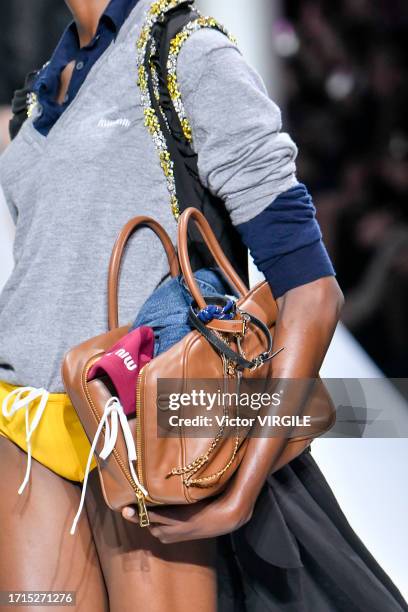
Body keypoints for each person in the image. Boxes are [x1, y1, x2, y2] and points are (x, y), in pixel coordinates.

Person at [0, 1, 406, 610]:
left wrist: (243, 487)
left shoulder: (186, 53)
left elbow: (312, 290)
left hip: (143, 428)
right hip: (25, 427)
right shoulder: (37, 98)